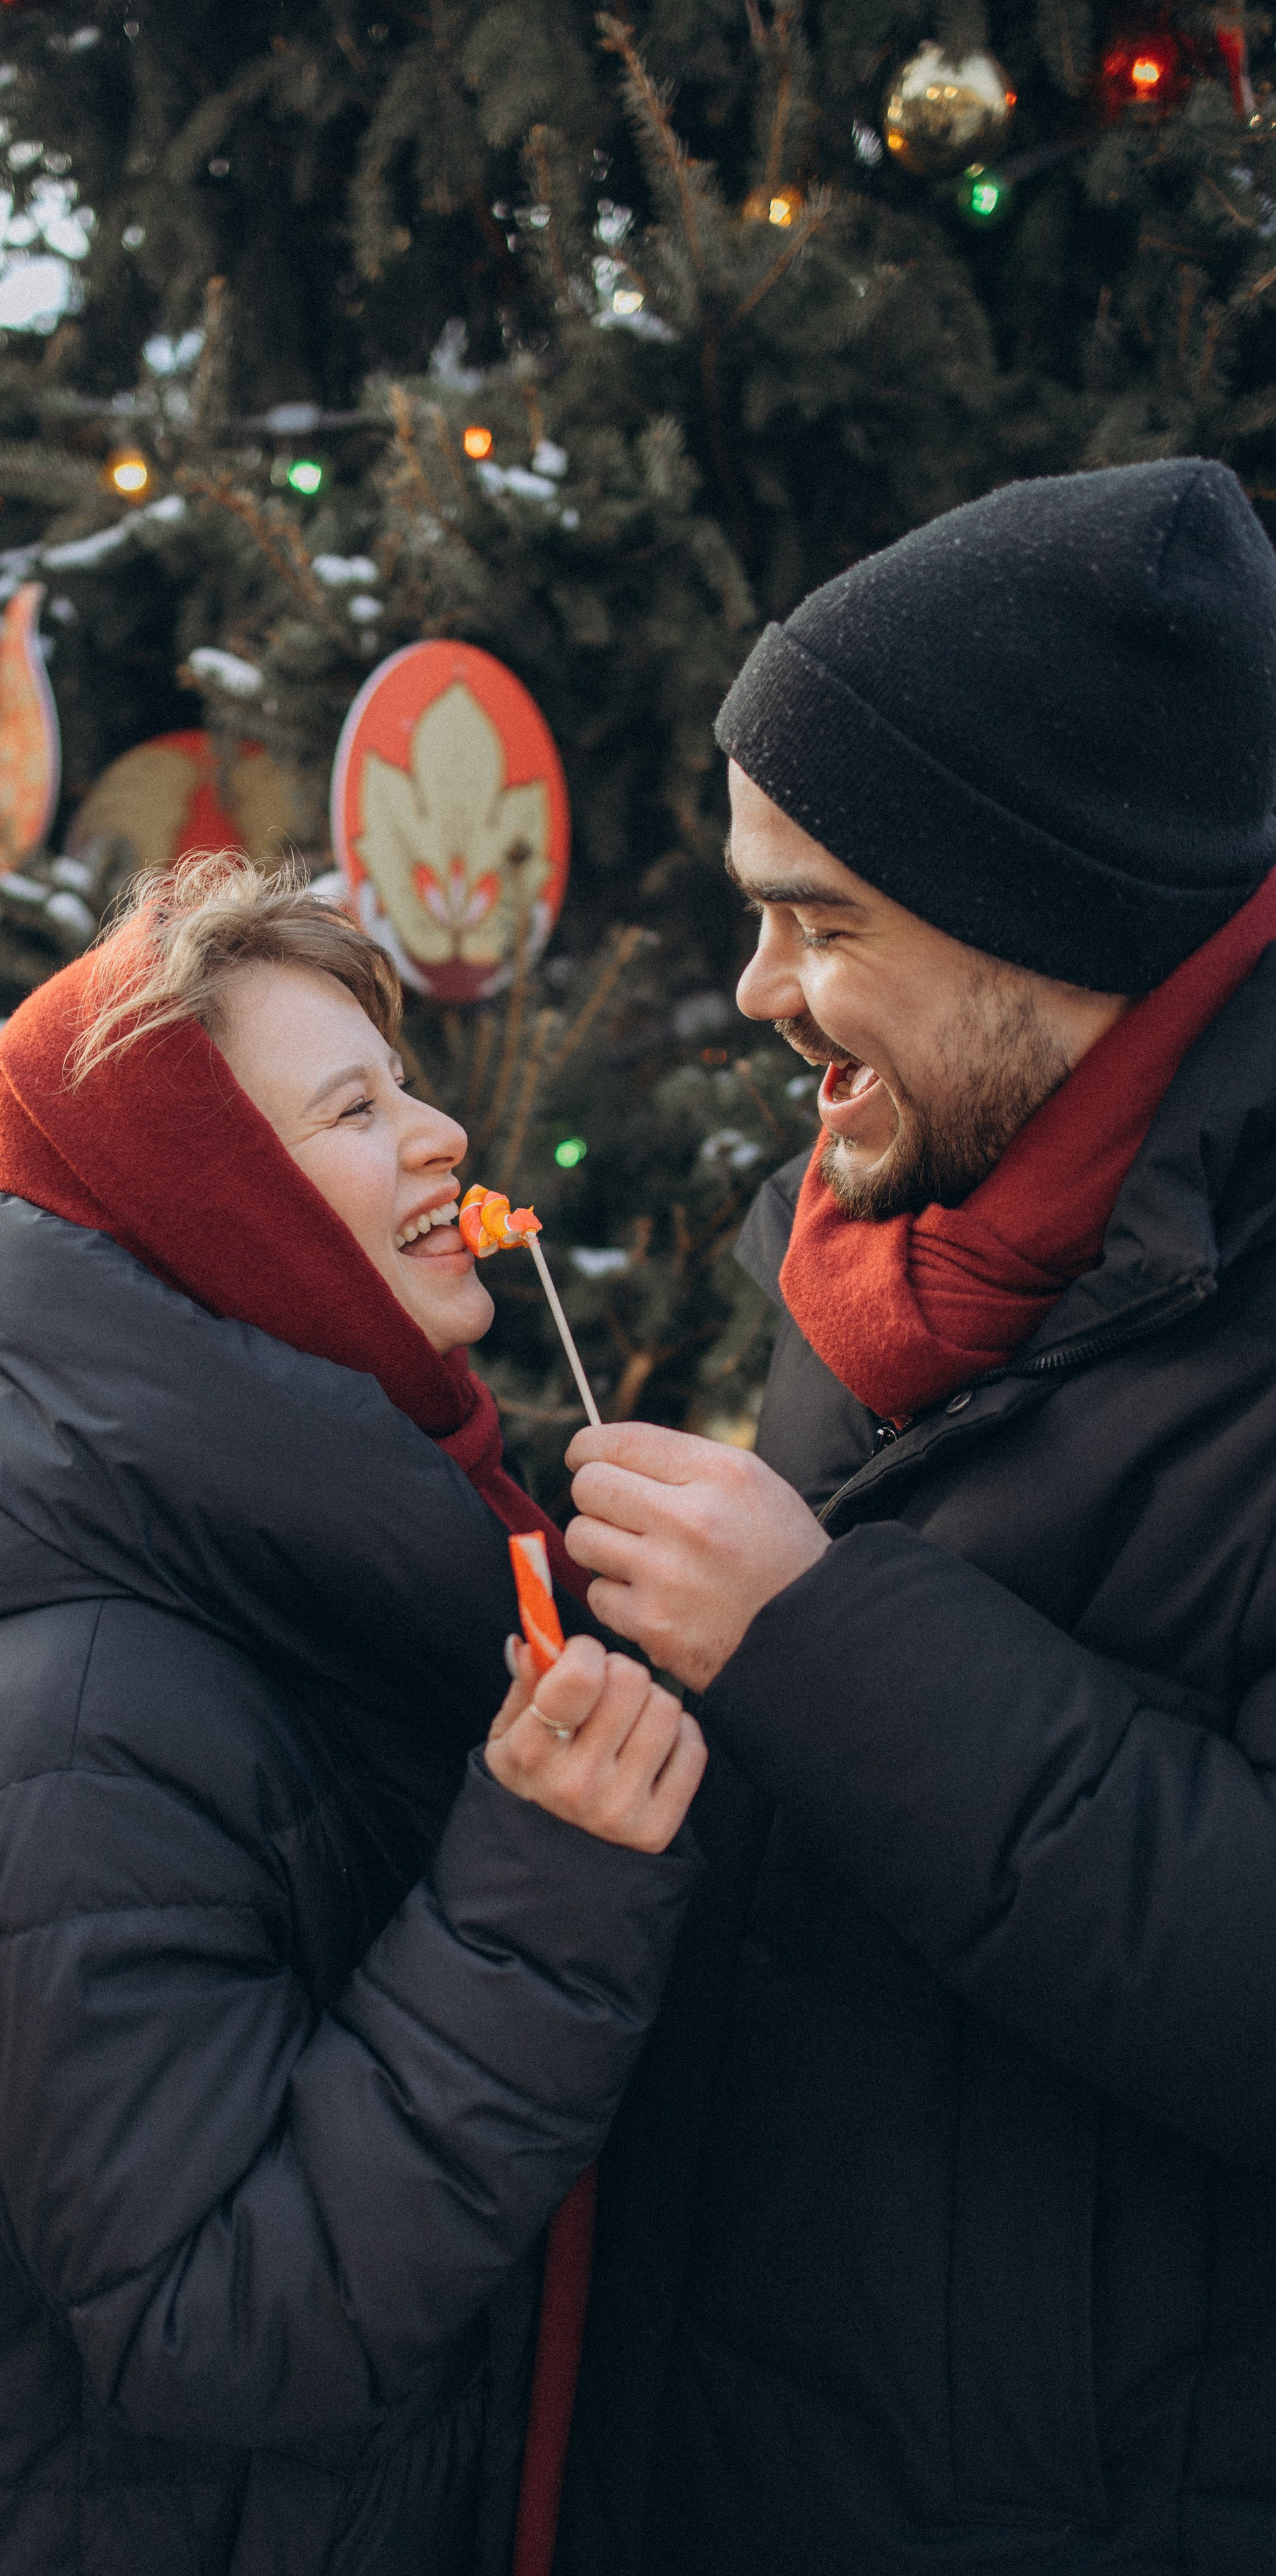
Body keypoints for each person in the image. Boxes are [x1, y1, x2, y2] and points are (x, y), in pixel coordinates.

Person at [0, 858, 704, 2576]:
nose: (441, 1136)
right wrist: (541, 1888)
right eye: (355, 1109)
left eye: (404, 1085)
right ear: (212, 1212)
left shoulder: (304, 1561)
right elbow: (216, 2320)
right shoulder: (59, 1732)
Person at [553, 458, 1276, 2576]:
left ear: (1055, 923)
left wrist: (821, 1646)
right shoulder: (910, 1221)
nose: (760, 989)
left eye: (824, 922)